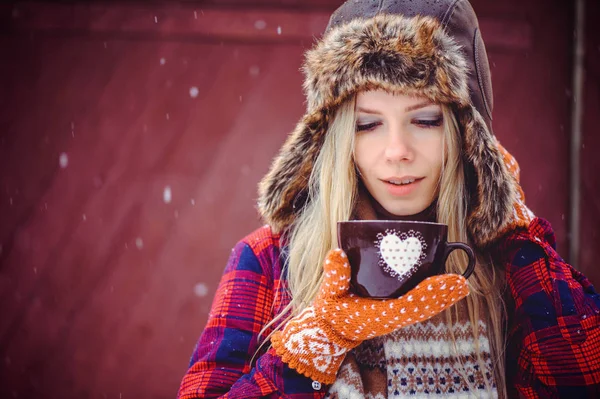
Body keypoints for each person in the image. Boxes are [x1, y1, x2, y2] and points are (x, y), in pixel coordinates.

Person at [177, 0, 600, 397]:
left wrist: (510, 222)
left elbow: (581, 374)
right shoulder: (269, 259)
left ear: (465, 137)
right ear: (339, 140)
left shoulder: (503, 260)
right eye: (367, 125)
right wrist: (316, 343)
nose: (397, 149)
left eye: (425, 119)